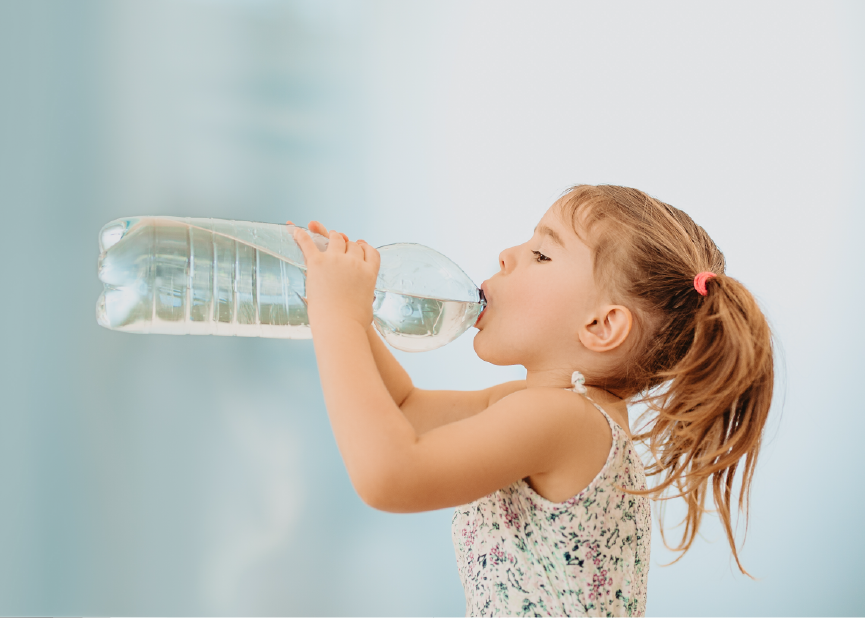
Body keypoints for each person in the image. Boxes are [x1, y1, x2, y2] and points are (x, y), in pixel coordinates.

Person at [287, 184, 775, 618]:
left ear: (601, 326)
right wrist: (339, 303)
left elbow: (389, 477)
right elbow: (405, 409)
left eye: (541, 254)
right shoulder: (549, 408)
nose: (506, 254)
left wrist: (340, 318)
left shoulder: (564, 420)